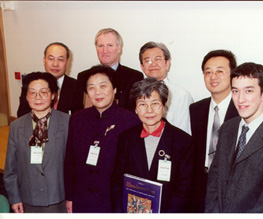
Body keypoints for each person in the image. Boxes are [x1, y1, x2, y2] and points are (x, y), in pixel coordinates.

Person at [205, 62, 263, 213]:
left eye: (248, 91)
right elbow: (214, 183)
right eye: (235, 91)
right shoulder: (227, 128)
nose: (240, 99)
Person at [64, 65, 140, 213]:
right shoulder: (77, 119)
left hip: (114, 202)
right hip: (82, 199)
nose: (97, 92)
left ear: (115, 89)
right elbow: (69, 161)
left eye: (103, 86)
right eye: (91, 88)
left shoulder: (130, 121)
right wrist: (70, 197)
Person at [111, 78, 193, 213]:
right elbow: (117, 183)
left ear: (164, 106)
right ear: (136, 109)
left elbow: (183, 190)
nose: (149, 110)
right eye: (142, 104)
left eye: (155, 103)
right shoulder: (125, 138)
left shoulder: (183, 141)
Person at [4, 72, 70, 213]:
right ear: (26, 96)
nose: (37, 97)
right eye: (32, 93)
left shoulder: (68, 122)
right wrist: (14, 198)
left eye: (43, 92)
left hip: (59, 198)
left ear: (53, 95)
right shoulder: (16, 126)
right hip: (28, 199)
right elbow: (11, 168)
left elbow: (76, 166)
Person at [189, 50, 239, 212]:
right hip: (200, 183)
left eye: (219, 71)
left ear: (232, 75)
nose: (213, 76)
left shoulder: (242, 110)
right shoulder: (196, 109)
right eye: (208, 72)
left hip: (230, 186)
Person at [75, 28, 143, 110]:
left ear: (119, 48)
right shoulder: (83, 77)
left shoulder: (134, 77)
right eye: (101, 46)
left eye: (110, 45)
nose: (105, 51)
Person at [139, 42, 193, 134]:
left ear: (167, 64)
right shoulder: (137, 94)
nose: (153, 64)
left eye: (158, 59)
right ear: (142, 67)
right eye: (148, 60)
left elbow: (184, 134)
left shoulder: (181, 96)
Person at [17, 42, 82, 117]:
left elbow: (77, 117)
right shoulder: (31, 82)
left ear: (67, 63)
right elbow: (22, 114)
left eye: (60, 59)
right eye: (51, 59)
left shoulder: (76, 85)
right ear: (44, 60)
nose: (55, 64)